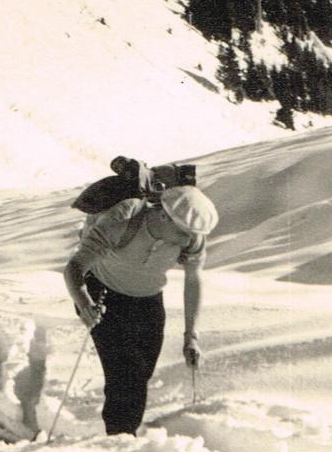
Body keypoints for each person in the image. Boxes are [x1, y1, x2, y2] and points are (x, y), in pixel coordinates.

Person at [63, 185, 219, 436]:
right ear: (164, 216)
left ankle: (124, 433)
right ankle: (120, 440)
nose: (188, 240)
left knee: (140, 376)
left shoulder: (192, 236)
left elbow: (193, 281)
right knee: (125, 376)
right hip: (103, 295)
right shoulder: (123, 219)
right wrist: (85, 305)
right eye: (184, 232)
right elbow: (74, 268)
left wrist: (191, 336)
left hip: (148, 300)